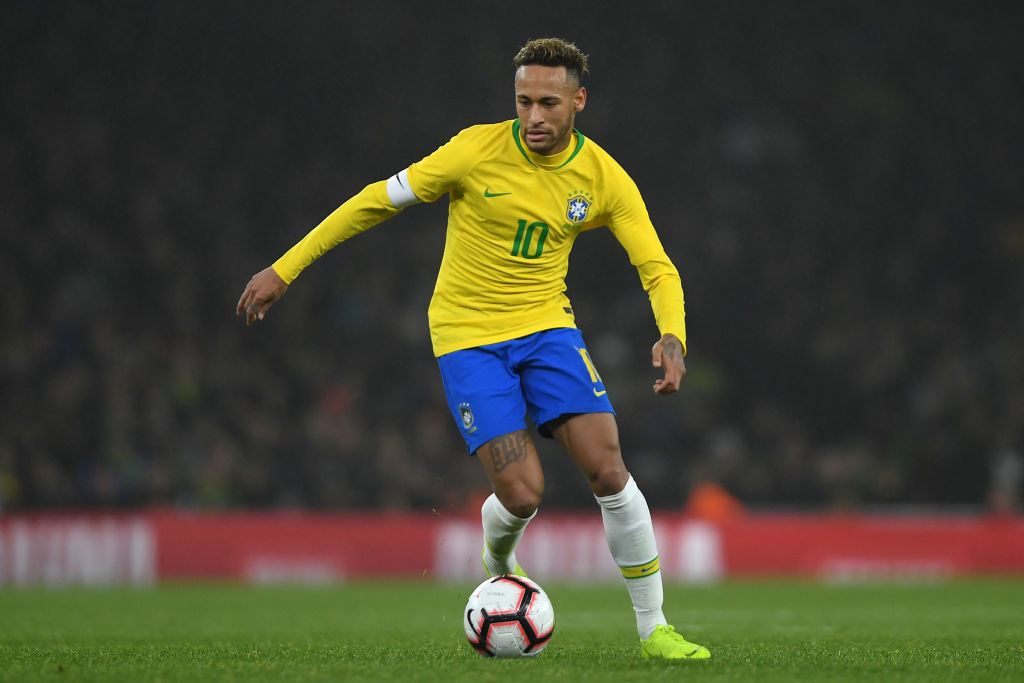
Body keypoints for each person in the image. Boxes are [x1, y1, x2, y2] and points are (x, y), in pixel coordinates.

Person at [236, 37, 710, 661]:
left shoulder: (602, 178)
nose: (533, 116)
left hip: (548, 331)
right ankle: (498, 556)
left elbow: (656, 266)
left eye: (548, 103)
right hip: (468, 337)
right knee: (523, 494)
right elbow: (376, 201)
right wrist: (286, 267)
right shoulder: (473, 151)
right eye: (523, 101)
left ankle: (654, 630)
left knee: (608, 469)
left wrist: (672, 335)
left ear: (578, 101)